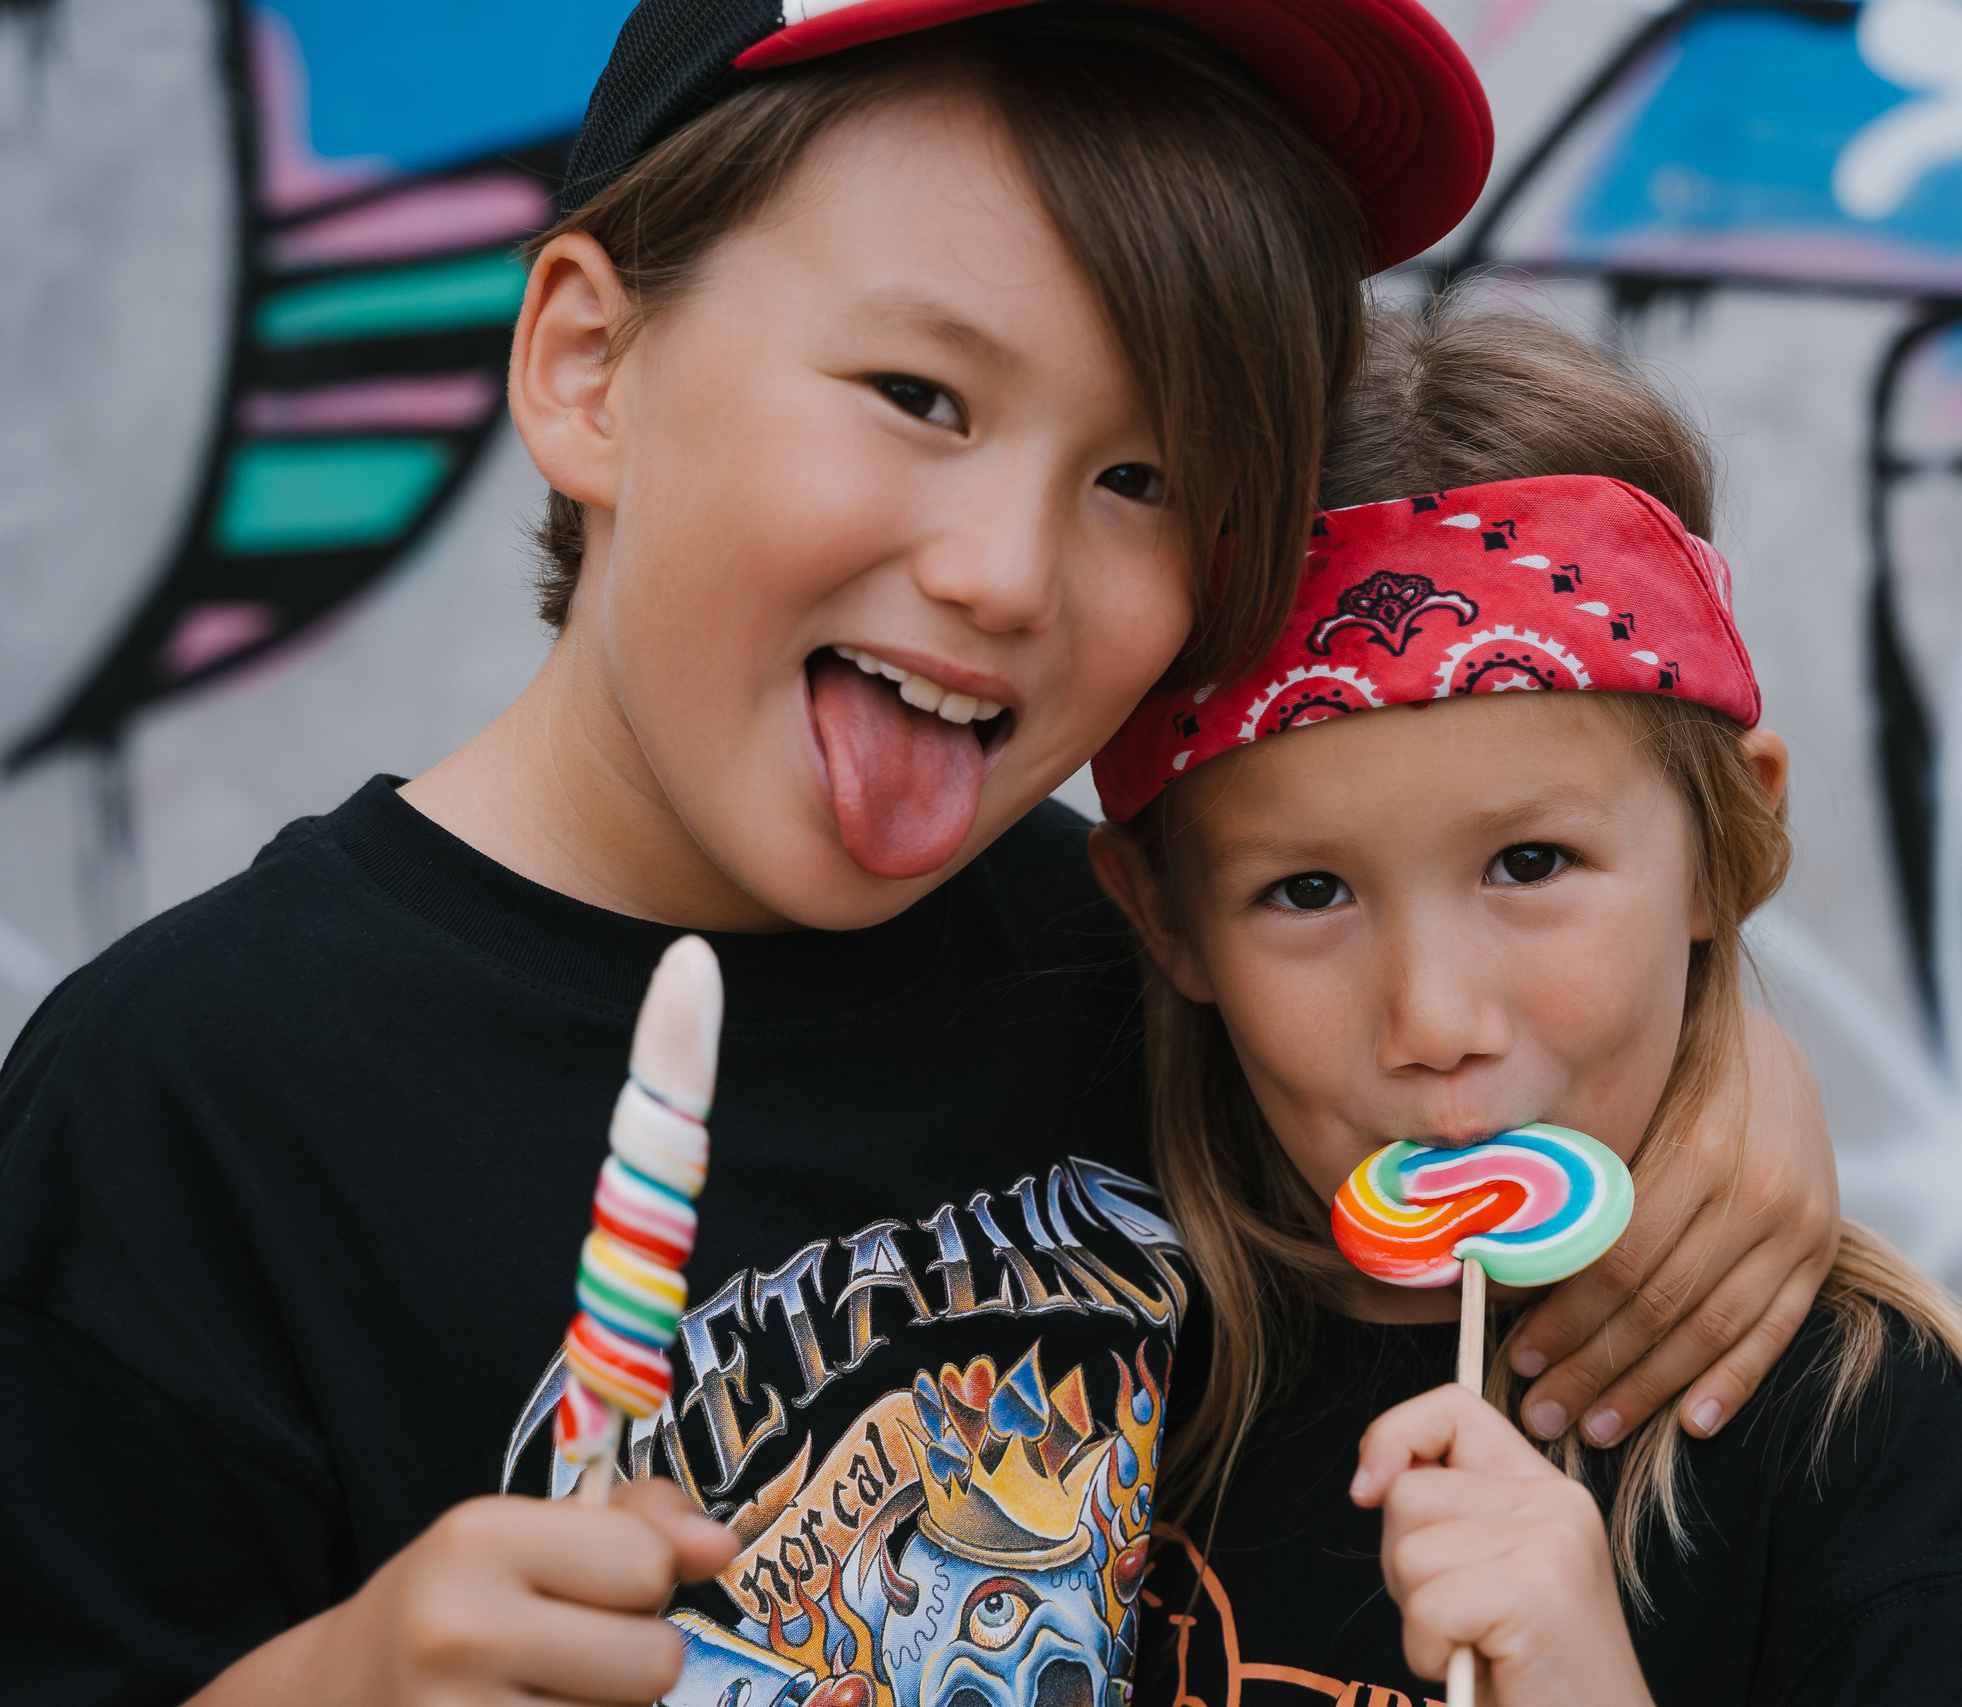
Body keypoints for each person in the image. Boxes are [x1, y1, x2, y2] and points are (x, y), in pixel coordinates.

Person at [0, 8, 1844, 1707]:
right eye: (920, 395)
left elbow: (1450, 1072)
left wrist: (1718, 1066)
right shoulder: (182, 1105)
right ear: (590, 364)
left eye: (1146, 480)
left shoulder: (1146, 982)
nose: (1007, 573)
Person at [1088, 307, 1962, 1705]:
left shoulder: (1853, 1430)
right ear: (1162, 915)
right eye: (1307, 892)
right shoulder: (1064, 1328)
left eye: (1531, 864)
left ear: (1727, 847)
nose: (1436, 1020)